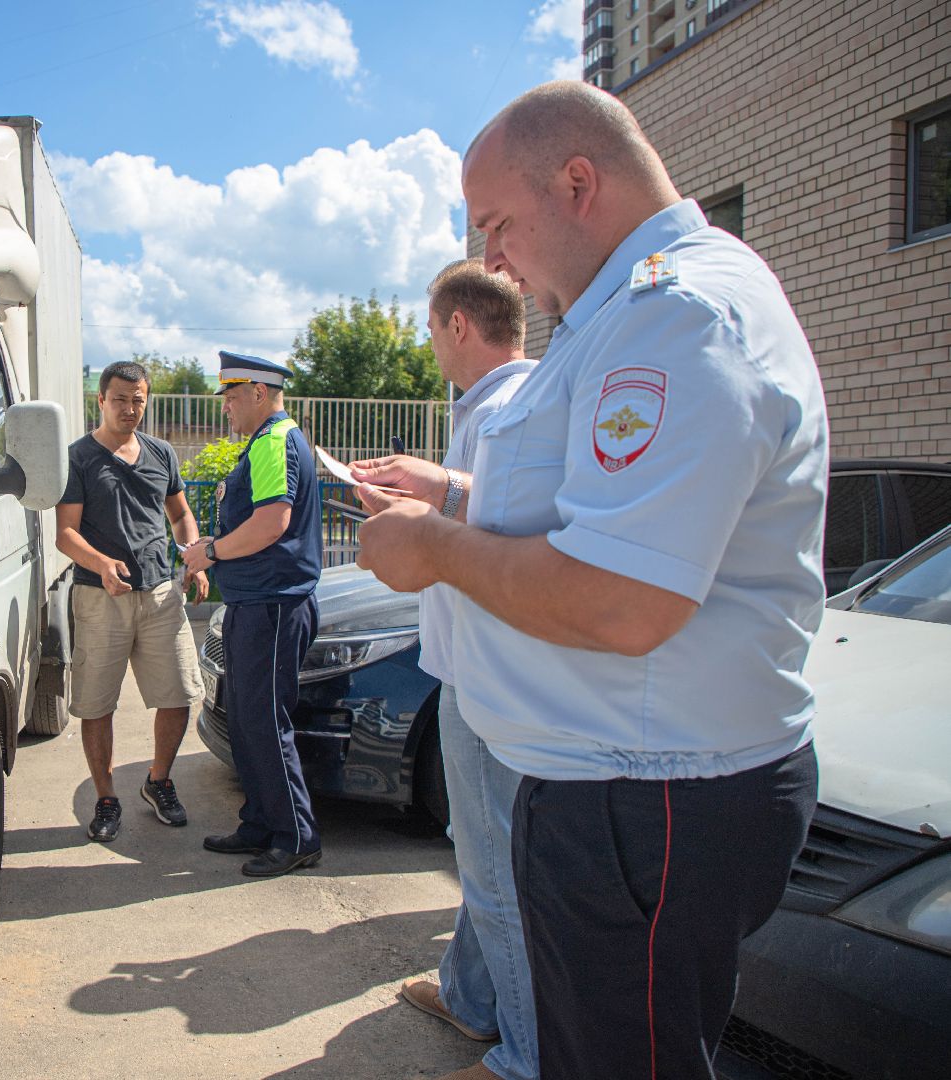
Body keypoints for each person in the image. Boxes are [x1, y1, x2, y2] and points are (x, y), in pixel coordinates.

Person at [353, 81, 826, 1080]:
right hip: (623, 794)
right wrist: (452, 497)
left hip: (645, 803)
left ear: (577, 182)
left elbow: (621, 598)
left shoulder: (673, 315)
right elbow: (583, 508)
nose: (489, 261)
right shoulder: (624, 315)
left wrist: (434, 545)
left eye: (496, 225)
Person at [377, 260, 539, 1080]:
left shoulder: (505, 410)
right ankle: (472, 998)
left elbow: (510, 517)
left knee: (493, 865)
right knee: (481, 846)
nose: (431, 345)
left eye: (432, 329)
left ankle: (530, 1057)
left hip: (486, 677)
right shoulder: (508, 402)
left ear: (458, 327)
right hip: (481, 669)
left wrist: (427, 510)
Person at [182, 351, 324, 878]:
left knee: (266, 722)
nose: (226, 408)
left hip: (274, 605)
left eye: (231, 397)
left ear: (259, 394)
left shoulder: (273, 442)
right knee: (246, 720)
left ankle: (296, 836)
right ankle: (261, 823)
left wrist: (211, 551)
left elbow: (271, 523)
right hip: (255, 603)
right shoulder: (265, 443)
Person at [56, 360, 209, 842]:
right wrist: (101, 563)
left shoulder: (162, 454)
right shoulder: (78, 457)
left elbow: (181, 514)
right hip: (100, 598)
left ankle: (158, 780)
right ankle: (106, 797)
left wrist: (193, 555)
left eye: (138, 399)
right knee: (97, 704)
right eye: (120, 399)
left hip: (162, 593)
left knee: (181, 694)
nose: (129, 408)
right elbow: (65, 534)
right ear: (100, 400)